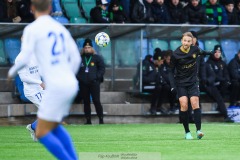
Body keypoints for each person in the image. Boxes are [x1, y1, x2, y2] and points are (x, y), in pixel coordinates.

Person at [7, 0, 81, 159]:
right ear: (50, 8)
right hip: (49, 87)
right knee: (53, 122)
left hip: (51, 86)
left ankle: (34, 128)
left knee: (46, 128)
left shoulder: (33, 31)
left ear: (32, 9)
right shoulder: (59, 28)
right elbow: (75, 58)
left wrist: (10, 73)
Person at [168, 32, 211, 140]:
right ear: (181, 41)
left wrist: (210, 52)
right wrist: (173, 85)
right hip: (181, 83)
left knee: (195, 102)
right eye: (184, 40)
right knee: (184, 105)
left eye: (188, 41)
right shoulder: (175, 54)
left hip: (193, 81)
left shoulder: (195, 50)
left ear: (192, 42)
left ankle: (198, 130)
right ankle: (187, 132)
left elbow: (202, 52)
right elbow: (170, 71)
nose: (186, 43)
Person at [15, 50, 44, 142]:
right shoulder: (20, 59)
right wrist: (40, 82)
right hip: (32, 91)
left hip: (41, 89)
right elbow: (24, 78)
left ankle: (33, 127)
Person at [77, 38, 105, 124]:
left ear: (92, 48)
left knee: (96, 100)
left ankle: (101, 119)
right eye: (85, 47)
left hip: (94, 83)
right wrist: (80, 78)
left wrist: (97, 77)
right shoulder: (80, 58)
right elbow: (75, 69)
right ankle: (88, 120)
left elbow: (102, 69)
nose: (87, 49)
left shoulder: (97, 58)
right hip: (83, 84)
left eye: (89, 47)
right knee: (86, 102)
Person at [204, 45, 233, 122]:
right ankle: (226, 115)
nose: (217, 53)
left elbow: (227, 75)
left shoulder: (223, 63)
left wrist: (225, 80)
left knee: (229, 84)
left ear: (221, 53)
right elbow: (213, 76)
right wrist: (223, 80)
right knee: (219, 97)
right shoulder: (208, 63)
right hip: (211, 85)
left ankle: (225, 106)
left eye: (219, 52)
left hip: (221, 86)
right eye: (216, 52)